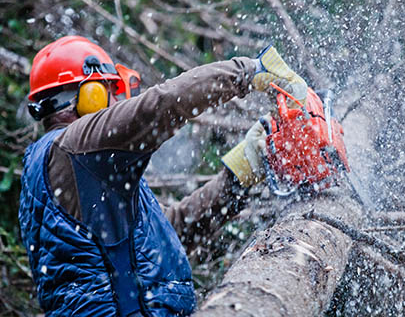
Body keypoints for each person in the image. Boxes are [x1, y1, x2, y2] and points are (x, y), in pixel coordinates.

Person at [19, 35, 307, 317]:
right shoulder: (76, 147)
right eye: (108, 90)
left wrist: (238, 176)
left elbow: (163, 237)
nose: (115, 101)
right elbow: (161, 105)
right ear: (88, 96)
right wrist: (249, 71)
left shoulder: (76, 166)